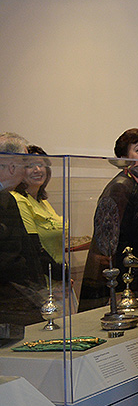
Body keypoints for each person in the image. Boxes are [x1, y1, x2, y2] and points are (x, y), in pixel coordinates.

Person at [80, 128, 138, 312]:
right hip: (126, 281)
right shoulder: (121, 187)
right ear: (124, 157)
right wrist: (118, 287)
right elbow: (109, 243)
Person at [0, 132, 44, 342]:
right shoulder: (7, 199)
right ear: (12, 167)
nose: (28, 170)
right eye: (25, 164)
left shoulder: (7, 198)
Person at [12, 145, 63, 267]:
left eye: (40, 165)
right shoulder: (19, 200)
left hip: (57, 271)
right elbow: (33, 248)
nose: (37, 170)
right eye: (30, 166)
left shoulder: (43, 201)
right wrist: (59, 272)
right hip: (42, 274)